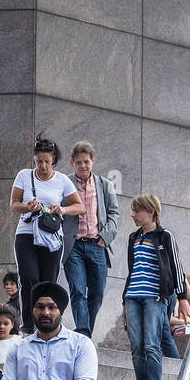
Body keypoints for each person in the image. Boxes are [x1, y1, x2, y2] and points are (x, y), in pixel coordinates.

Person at [122, 194, 190, 380]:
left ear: (151, 212)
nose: (133, 215)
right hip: (133, 297)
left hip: (155, 297)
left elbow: (176, 268)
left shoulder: (165, 237)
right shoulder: (133, 237)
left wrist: (182, 299)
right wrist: (124, 302)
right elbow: (131, 270)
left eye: (137, 211)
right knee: (136, 346)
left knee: (151, 344)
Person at [10, 136, 83, 334]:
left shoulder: (62, 180)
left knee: (48, 281)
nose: (42, 166)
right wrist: (27, 206)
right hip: (26, 233)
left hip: (51, 237)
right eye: (39, 161)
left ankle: (47, 323)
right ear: (34, 160)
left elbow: (79, 206)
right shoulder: (24, 176)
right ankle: (28, 324)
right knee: (29, 277)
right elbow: (14, 204)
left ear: (53, 160)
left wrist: (61, 209)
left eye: (46, 162)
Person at [61, 141, 120, 339]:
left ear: (93, 161)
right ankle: (84, 334)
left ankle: (85, 333)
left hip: (97, 245)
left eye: (86, 161)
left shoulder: (105, 185)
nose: (83, 166)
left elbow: (114, 214)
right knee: (78, 291)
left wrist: (105, 237)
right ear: (71, 163)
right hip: (74, 246)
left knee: (96, 294)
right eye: (78, 162)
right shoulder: (65, 184)